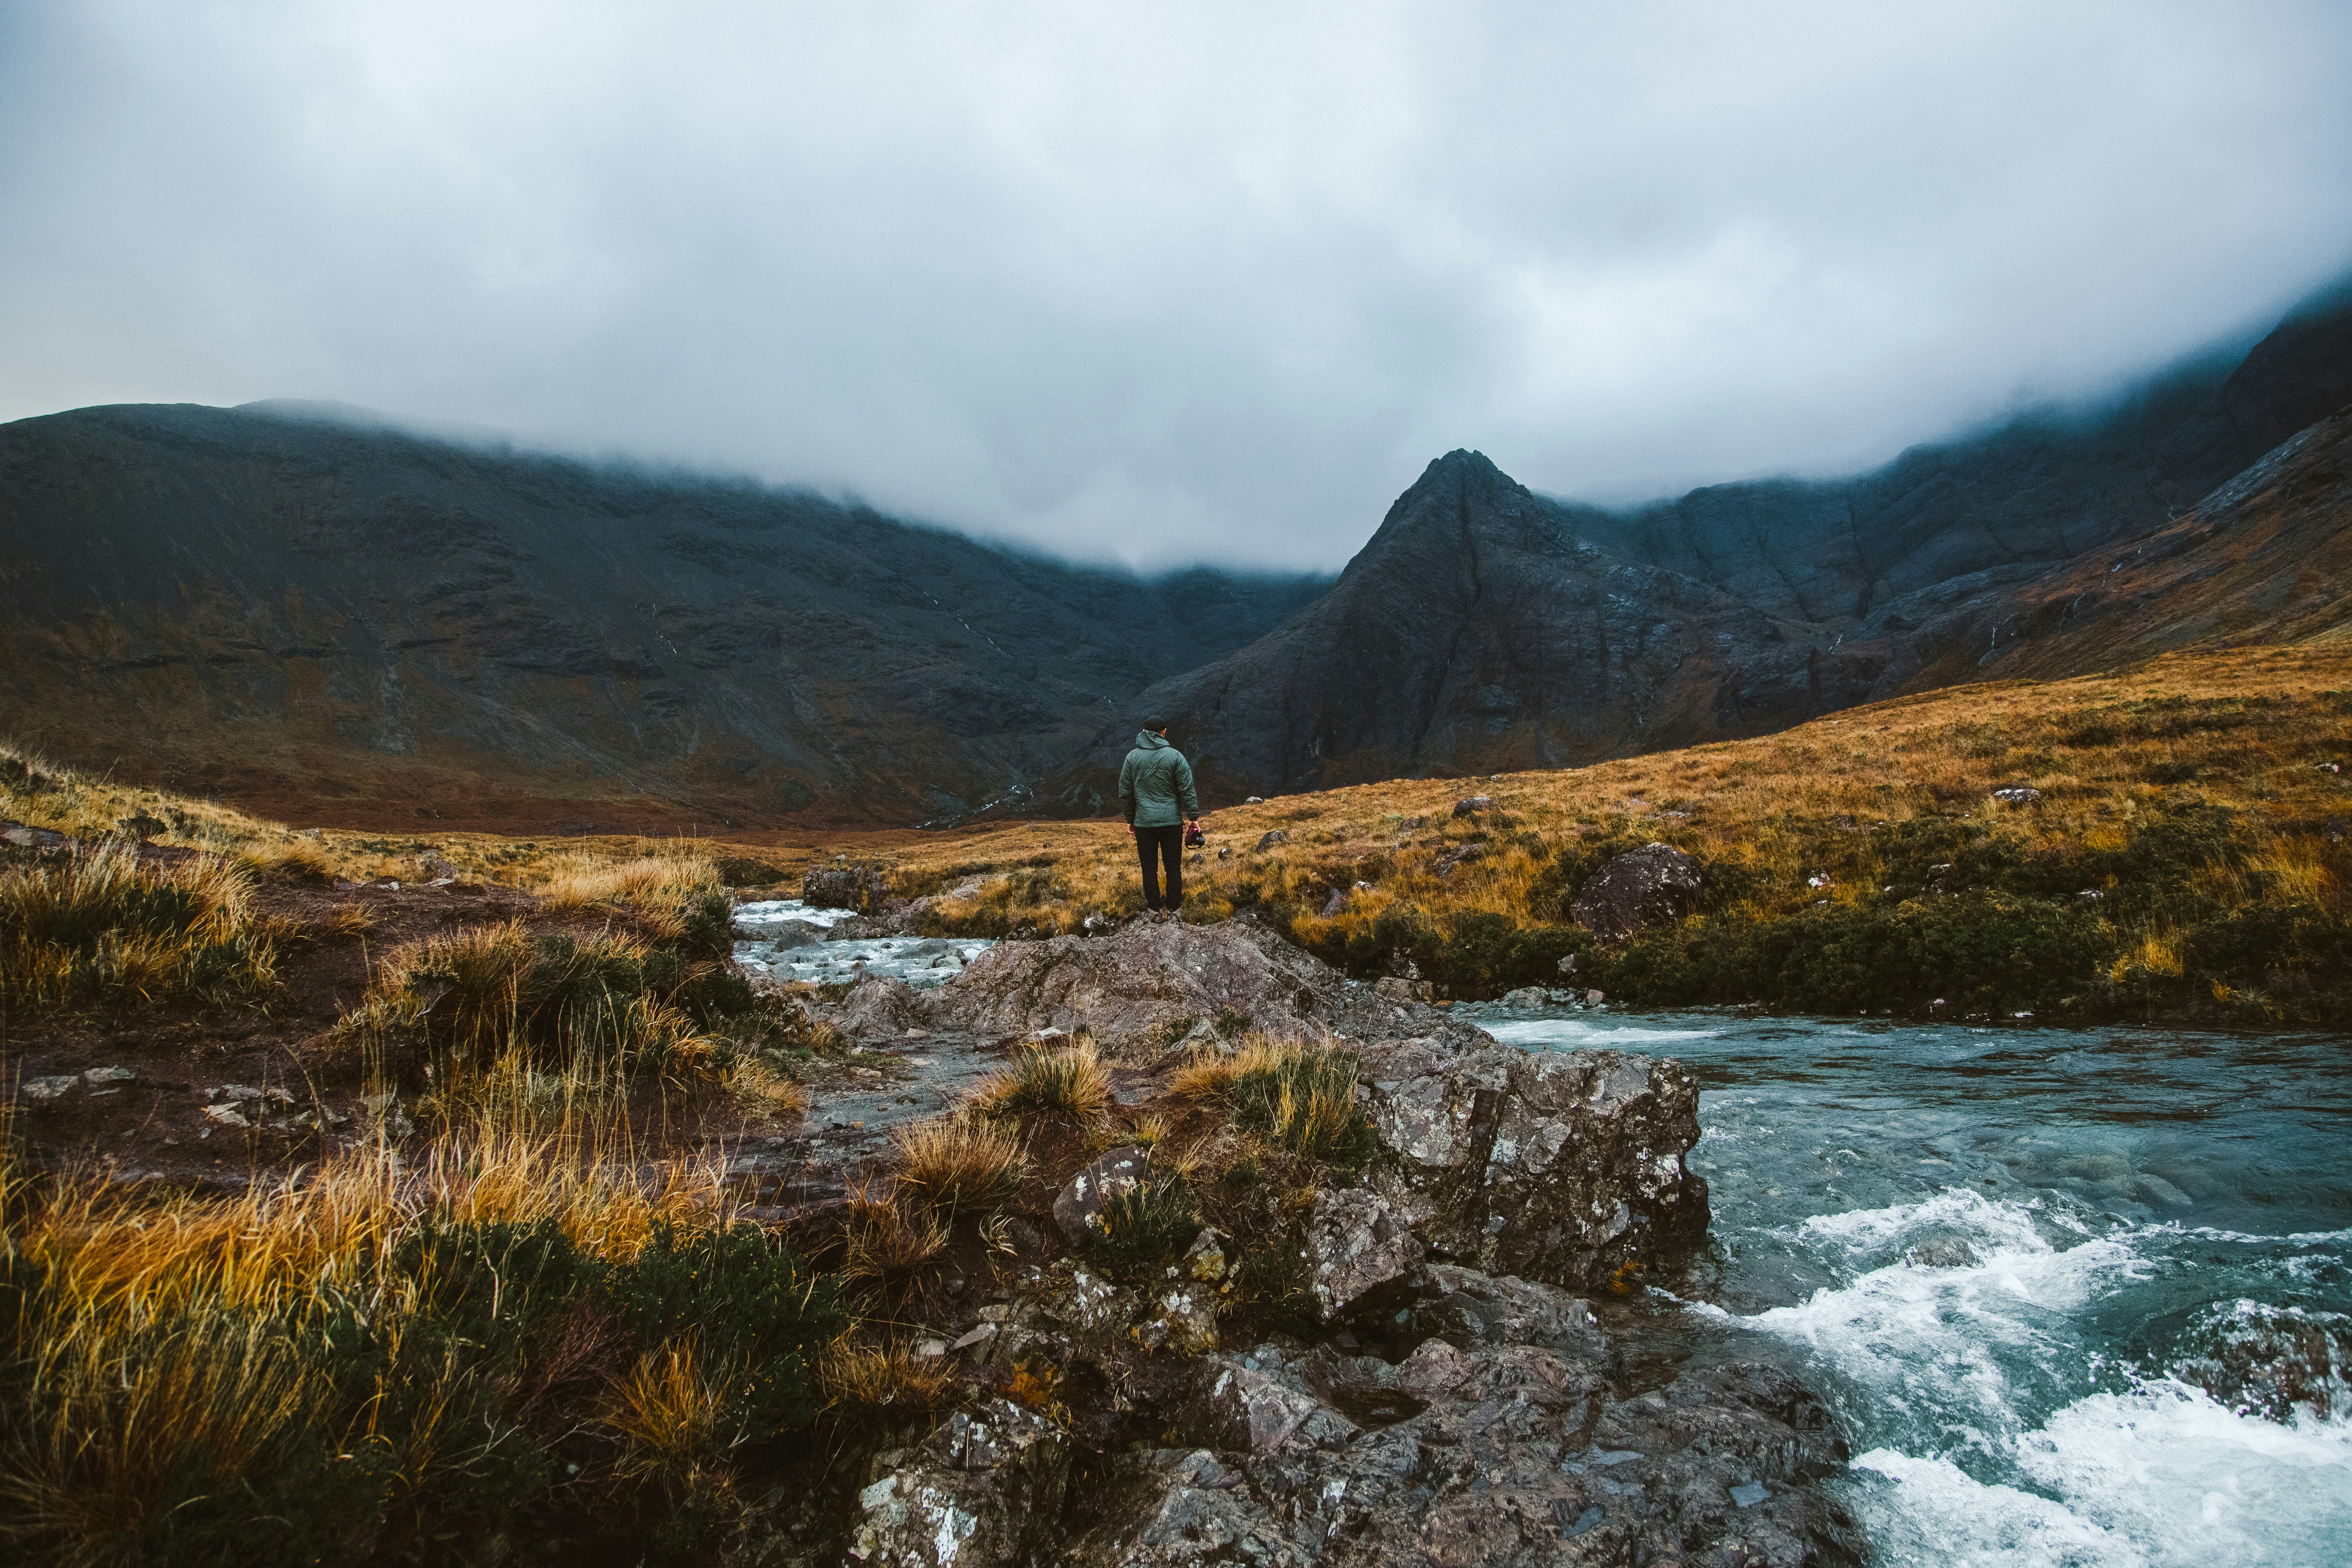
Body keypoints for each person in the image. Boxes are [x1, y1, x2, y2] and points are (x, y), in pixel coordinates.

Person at [1118, 719, 1200, 915]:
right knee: (1173, 870)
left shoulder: (1132, 758)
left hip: (1145, 824)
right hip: (1171, 822)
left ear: (1144, 731)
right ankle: (1174, 910)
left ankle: (1154, 911)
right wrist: (1193, 817)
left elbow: (1125, 792)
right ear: (1164, 732)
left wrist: (1131, 819)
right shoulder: (1175, 757)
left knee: (1149, 870)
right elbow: (1187, 789)